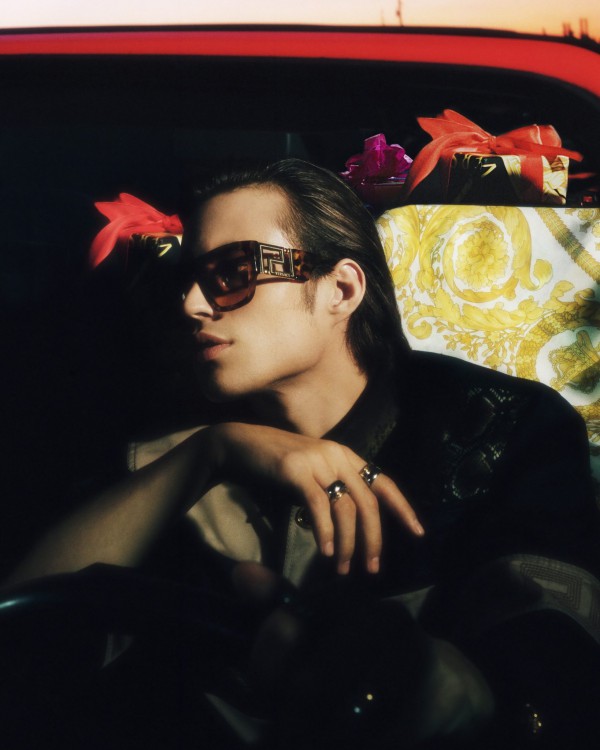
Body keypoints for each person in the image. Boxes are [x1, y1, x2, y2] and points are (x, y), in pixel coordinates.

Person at [4, 159, 600, 748]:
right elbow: (28, 629)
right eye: (185, 280)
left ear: (341, 289)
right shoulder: (164, 446)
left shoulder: (500, 426)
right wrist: (211, 454)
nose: (191, 305)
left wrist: (441, 687)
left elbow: (556, 658)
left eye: (232, 272)